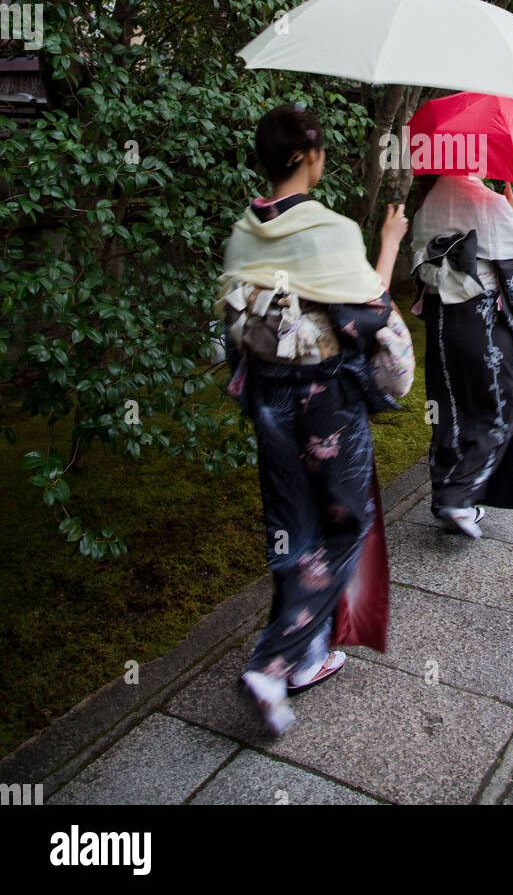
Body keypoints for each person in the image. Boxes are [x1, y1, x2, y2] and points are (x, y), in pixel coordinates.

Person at [215, 103, 408, 736]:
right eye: (321, 150)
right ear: (307, 156)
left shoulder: (245, 231)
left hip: (267, 394)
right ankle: (271, 663)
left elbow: (234, 323)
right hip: (324, 397)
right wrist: (389, 245)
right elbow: (370, 311)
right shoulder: (331, 229)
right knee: (347, 522)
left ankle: (308, 656)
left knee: (291, 526)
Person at [410, 172, 513, 538]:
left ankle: (449, 493)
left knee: (448, 408)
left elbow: (421, 267)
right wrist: (508, 211)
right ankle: (459, 497)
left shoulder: (426, 204)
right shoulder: (491, 203)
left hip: (441, 321)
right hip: (481, 319)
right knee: (501, 406)